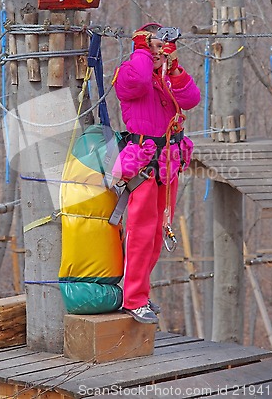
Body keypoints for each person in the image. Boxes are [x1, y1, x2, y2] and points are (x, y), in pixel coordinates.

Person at [112, 22, 201, 324]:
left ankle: (140, 294)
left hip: (168, 162)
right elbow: (136, 81)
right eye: (154, 47)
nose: (158, 54)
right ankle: (133, 298)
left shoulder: (164, 81)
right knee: (141, 234)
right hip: (144, 163)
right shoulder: (129, 74)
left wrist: (173, 69)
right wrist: (142, 50)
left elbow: (190, 100)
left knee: (157, 234)